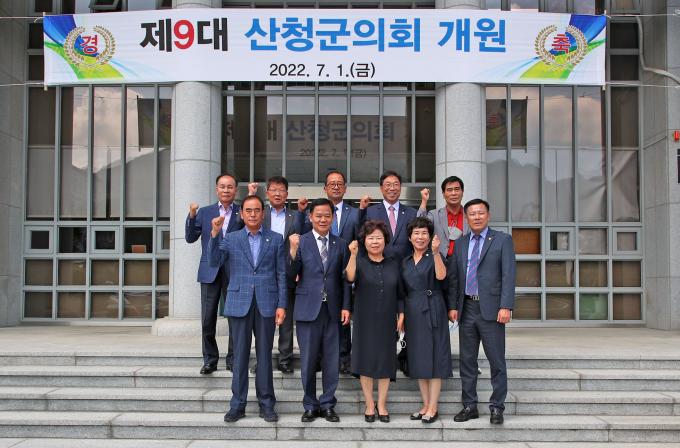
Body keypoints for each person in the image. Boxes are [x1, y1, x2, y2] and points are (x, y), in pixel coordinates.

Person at [207, 195, 287, 423]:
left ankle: (267, 404)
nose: (253, 214)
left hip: (267, 303)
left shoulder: (276, 239)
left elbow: (281, 274)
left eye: (257, 210)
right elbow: (214, 261)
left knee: (264, 356)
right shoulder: (231, 238)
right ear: (241, 214)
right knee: (240, 356)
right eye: (248, 210)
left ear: (263, 213)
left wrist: (282, 304)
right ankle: (237, 405)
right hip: (239, 302)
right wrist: (214, 233)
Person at [448, 198, 516, 425]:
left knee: (496, 361)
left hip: (492, 310)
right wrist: (453, 306)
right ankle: (469, 406)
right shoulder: (460, 243)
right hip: (467, 308)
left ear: (488, 215)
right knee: (467, 361)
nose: (476, 217)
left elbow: (508, 275)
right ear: (466, 218)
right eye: (472, 214)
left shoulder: (502, 240)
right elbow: (455, 278)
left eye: (480, 213)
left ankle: (497, 407)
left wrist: (506, 306)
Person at [288, 198, 351, 423]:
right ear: (310, 217)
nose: (323, 219)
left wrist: (346, 306)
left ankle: (328, 404)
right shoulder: (301, 241)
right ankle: (310, 405)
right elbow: (290, 275)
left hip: (332, 310)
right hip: (308, 309)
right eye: (319, 215)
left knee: (331, 360)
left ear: (332, 218)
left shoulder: (341, 243)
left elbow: (345, 279)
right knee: (307, 361)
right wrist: (293, 251)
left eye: (327, 215)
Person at [248, 176, 310, 374]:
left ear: (286, 194)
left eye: (281, 190)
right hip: (264, 273)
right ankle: (262, 360)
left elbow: (304, 240)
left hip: (288, 272)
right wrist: (250, 195)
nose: (277, 193)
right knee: (263, 321)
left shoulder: (295, 216)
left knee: (287, 319)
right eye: (273, 189)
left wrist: (298, 269)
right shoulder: (260, 213)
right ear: (267, 193)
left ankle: (285, 359)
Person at [345, 220, 404, 424]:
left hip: (388, 319)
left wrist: (401, 314)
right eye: (371, 238)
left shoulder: (393, 263)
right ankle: (370, 404)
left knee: (386, 361)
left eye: (379, 238)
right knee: (366, 360)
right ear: (364, 241)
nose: (375, 241)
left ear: (385, 240)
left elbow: (400, 293)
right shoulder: (359, 261)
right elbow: (349, 278)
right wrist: (353, 255)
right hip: (365, 319)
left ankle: (382, 404)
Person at [185, 173, 244, 375]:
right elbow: (190, 237)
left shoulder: (241, 212)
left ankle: (233, 359)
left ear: (235, 190)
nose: (226, 190)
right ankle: (210, 359)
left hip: (234, 271)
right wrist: (192, 215)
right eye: (222, 186)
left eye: (230, 187)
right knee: (207, 318)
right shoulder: (204, 212)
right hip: (210, 270)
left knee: (235, 316)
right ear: (216, 189)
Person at [401, 217, 452, 424]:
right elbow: (402, 291)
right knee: (419, 359)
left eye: (424, 233)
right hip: (413, 311)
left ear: (430, 237)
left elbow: (441, 276)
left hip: (433, 309)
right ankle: (425, 405)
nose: (420, 237)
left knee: (435, 358)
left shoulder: (435, 256)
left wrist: (437, 252)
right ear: (409, 237)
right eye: (416, 233)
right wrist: (401, 314)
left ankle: (433, 407)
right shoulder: (405, 261)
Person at [323, 170, 361, 375]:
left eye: (339, 183)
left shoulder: (354, 213)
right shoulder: (317, 211)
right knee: (322, 318)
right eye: (332, 183)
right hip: (322, 272)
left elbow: (360, 241)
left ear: (345, 188)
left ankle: (344, 358)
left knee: (344, 316)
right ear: (325, 188)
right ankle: (322, 358)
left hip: (347, 271)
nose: (336, 186)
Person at [358, 170, 418, 261]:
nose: (392, 188)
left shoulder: (412, 213)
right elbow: (361, 237)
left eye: (396, 184)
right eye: (388, 185)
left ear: (400, 187)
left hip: (406, 264)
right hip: (378, 264)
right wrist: (361, 209)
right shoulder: (370, 212)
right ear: (381, 188)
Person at [418, 176, 468, 259]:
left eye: (457, 189)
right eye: (449, 190)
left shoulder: (469, 215)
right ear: (443, 194)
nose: (453, 193)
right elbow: (419, 225)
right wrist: (424, 201)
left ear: (462, 192)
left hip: (463, 261)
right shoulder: (434, 215)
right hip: (439, 260)